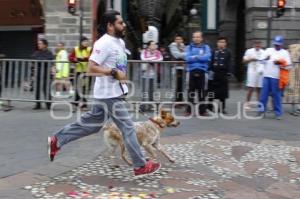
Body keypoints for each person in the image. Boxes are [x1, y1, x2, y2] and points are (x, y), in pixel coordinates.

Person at [48, 10, 161, 176]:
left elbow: (120, 67)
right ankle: (140, 165)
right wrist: (114, 73)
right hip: (108, 95)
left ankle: (57, 140)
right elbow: (91, 68)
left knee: (92, 126)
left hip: (110, 94)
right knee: (128, 127)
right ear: (110, 26)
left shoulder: (119, 43)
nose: (123, 26)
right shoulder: (103, 43)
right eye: (120, 23)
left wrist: (122, 82)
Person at [258, 35, 292, 120]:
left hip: (276, 78)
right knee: (263, 95)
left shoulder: (285, 53)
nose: (276, 46)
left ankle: (278, 113)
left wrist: (280, 64)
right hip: (266, 76)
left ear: (281, 44)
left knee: (276, 96)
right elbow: (260, 60)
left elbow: (289, 66)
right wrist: (266, 58)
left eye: (278, 44)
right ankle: (261, 111)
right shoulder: (268, 50)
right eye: (275, 44)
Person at [184, 31, 211, 116]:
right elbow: (187, 58)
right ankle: (189, 110)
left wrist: (195, 57)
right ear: (192, 38)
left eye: (198, 37)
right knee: (190, 92)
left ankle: (202, 111)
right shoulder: (189, 47)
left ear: (201, 38)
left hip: (202, 71)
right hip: (191, 71)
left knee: (202, 92)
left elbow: (207, 57)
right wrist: (200, 58)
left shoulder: (206, 47)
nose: (196, 38)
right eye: (194, 37)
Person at [207, 37, 232, 114]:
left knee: (223, 92)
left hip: (223, 73)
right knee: (211, 91)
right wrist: (209, 70)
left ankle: (222, 108)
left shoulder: (228, 52)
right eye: (220, 42)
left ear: (225, 43)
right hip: (213, 73)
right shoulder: (213, 51)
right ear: (217, 43)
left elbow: (229, 63)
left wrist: (229, 72)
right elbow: (210, 62)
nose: (221, 43)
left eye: (223, 42)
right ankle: (209, 107)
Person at [69, 36, 92, 110]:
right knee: (78, 87)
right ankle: (76, 103)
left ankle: (84, 104)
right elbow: (70, 57)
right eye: (84, 41)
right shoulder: (76, 49)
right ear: (81, 42)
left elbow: (92, 57)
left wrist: (83, 59)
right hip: (78, 71)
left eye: (87, 41)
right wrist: (75, 60)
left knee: (85, 88)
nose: (86, 43)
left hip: (87, 72)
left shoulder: (89, 49)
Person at [31, 39, 54, 110]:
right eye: (38, 44)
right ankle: (38, 104)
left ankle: (48, 104)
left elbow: (49, 59)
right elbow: (33, 58)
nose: (39, 45)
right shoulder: (37, 52)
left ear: (45, 45)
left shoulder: (49, 53)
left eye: (40, 44)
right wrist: (41, 60)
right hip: (38, 73)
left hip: (46, 73)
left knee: (46, 89)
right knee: (37, 89)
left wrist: (40, 60)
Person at [243, 41, 266, 109]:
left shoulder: (263, 52)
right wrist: (251, 59)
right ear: (253, 44)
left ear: (261, 45)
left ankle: (259, 104)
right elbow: (244, 61)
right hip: (251, 71)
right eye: (256, 44)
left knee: (259, 88)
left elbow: (265, 62)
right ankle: (247, 103)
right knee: (251, 88)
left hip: (260, 72)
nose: (257, 45)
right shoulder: (249, 51)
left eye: (259, 44)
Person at [169, 34, 186, 104]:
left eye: (180, 39)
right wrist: (185, 54)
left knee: (182, 84)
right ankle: (174, 100)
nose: (178, 41)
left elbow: (186, 56)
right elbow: (176, 55)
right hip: (175, 67)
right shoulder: (172, 46)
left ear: (182, 40)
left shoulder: (184, 46)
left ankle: (181, 100)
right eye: (177, 39)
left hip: (183, 68)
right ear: (175, 40)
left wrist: (183, 54)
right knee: (175, 84)